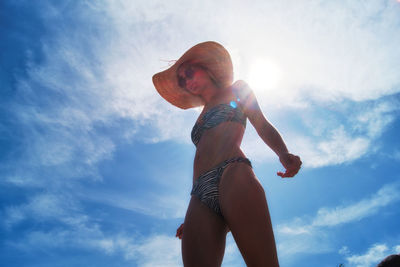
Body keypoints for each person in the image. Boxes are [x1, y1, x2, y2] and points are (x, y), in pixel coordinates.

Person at [152, 41, 301, 267]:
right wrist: (192, 217)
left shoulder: (237, 89)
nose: (186, 81)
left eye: (189, 72)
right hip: (199, 193)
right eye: (182, 80)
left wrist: (283, 153)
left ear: (207, 68)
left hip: (232, 171)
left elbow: (261, 124)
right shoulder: (200, 115)